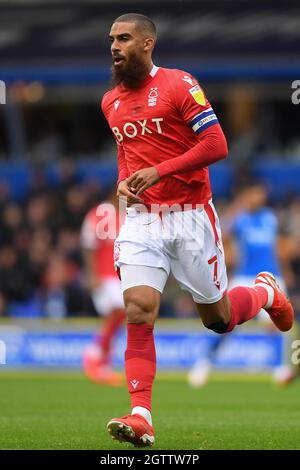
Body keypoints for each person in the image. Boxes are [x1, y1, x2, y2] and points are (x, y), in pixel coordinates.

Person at [101, 13, 294, 447]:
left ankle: (264, 292)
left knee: (219, 320)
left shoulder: (178, 84)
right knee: (138, 308)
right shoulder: (110, 102)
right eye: (112, 39)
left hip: (190, 216)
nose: (115, 46)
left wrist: (159, 171)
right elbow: (127, 156)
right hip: (143, 220)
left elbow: (217, 145)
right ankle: (141, 416)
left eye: (125, 38)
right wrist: (125, 183)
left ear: (147, 43)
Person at [188, 182, 298, 387]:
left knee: (274, 325)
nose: (260, 197)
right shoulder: (239, 220)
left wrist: (286, 271)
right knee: (225, 323)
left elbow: (277, 247)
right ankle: (204, 363)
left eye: (261, 193)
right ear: (247, 195)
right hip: (245, 275)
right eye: (255, 193)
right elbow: (223, 241)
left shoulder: (270, 218)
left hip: (271, 274)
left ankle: (280, 368)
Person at [81, 190, 125, 386]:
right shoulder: (98, 214)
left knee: (119, 316)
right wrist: (91, 275)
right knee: (117, 312)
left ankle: (101, 362)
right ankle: (95, 353)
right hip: (103, 277)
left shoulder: (126, 215)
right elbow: (89, 246)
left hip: (121, 277)